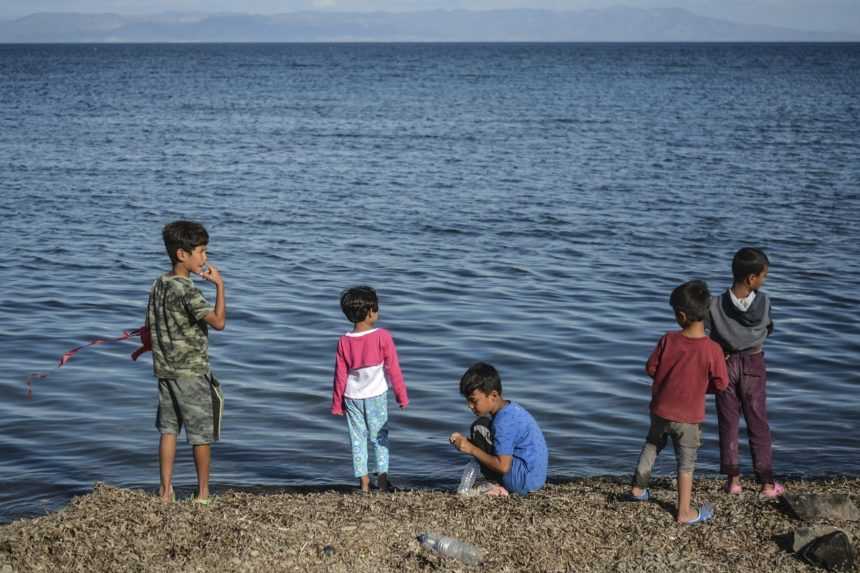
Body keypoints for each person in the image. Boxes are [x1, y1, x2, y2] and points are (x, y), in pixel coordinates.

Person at [629, 280, 729, 524]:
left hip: (661, 410)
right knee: (686, 463)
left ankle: (638, 489)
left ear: (681, 315)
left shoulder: (668, 340)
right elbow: (721, 384)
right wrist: (700, 386)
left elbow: (651, 367)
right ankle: (683, 511)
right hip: (689, 418)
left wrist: (668, 377)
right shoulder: (713, 350)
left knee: (652, 445)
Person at [146, 221, 226, 504]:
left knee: (168, 429)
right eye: (201, 252)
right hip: (191, 371)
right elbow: (218, 323)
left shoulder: (159, 284)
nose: (205, 257)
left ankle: (165, 491)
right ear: (182, 254)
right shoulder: (187, 289)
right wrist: (219, 286)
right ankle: (203, 494)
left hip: (165, 369)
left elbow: (149, 326)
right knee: (200, 433)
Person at [708, 247, 784, 498]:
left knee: (728, 421)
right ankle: (766, 483)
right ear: (752, 278)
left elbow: (708, 334)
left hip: (725, 363)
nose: (764, 280)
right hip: (753, 362)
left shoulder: (715, 303)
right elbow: (769, 328)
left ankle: (734, 481)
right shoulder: (764, 302)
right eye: (764, 276)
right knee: (758, 421)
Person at [331, 286, 408, 493]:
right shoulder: (383, 336)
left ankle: (364, 483)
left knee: (358, 439)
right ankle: (382, 481)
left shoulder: (344, 341)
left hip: (352, 396)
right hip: (376, 396)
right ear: (370, 311)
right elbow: (394, 369)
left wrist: (337, 403)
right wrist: (401, 396)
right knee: (379, 437)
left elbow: (339, 376)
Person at [449, 362, 548, 496]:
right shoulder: (512, 410)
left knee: (479, 427)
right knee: (484, 429)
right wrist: (468, 443)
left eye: (474, 401)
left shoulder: (502, 422)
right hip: (534, 479)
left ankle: (496, 486)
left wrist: (471, 448)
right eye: (468, 401)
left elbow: (503, 466)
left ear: (493, 396)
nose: (470, 406)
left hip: (521, 483)